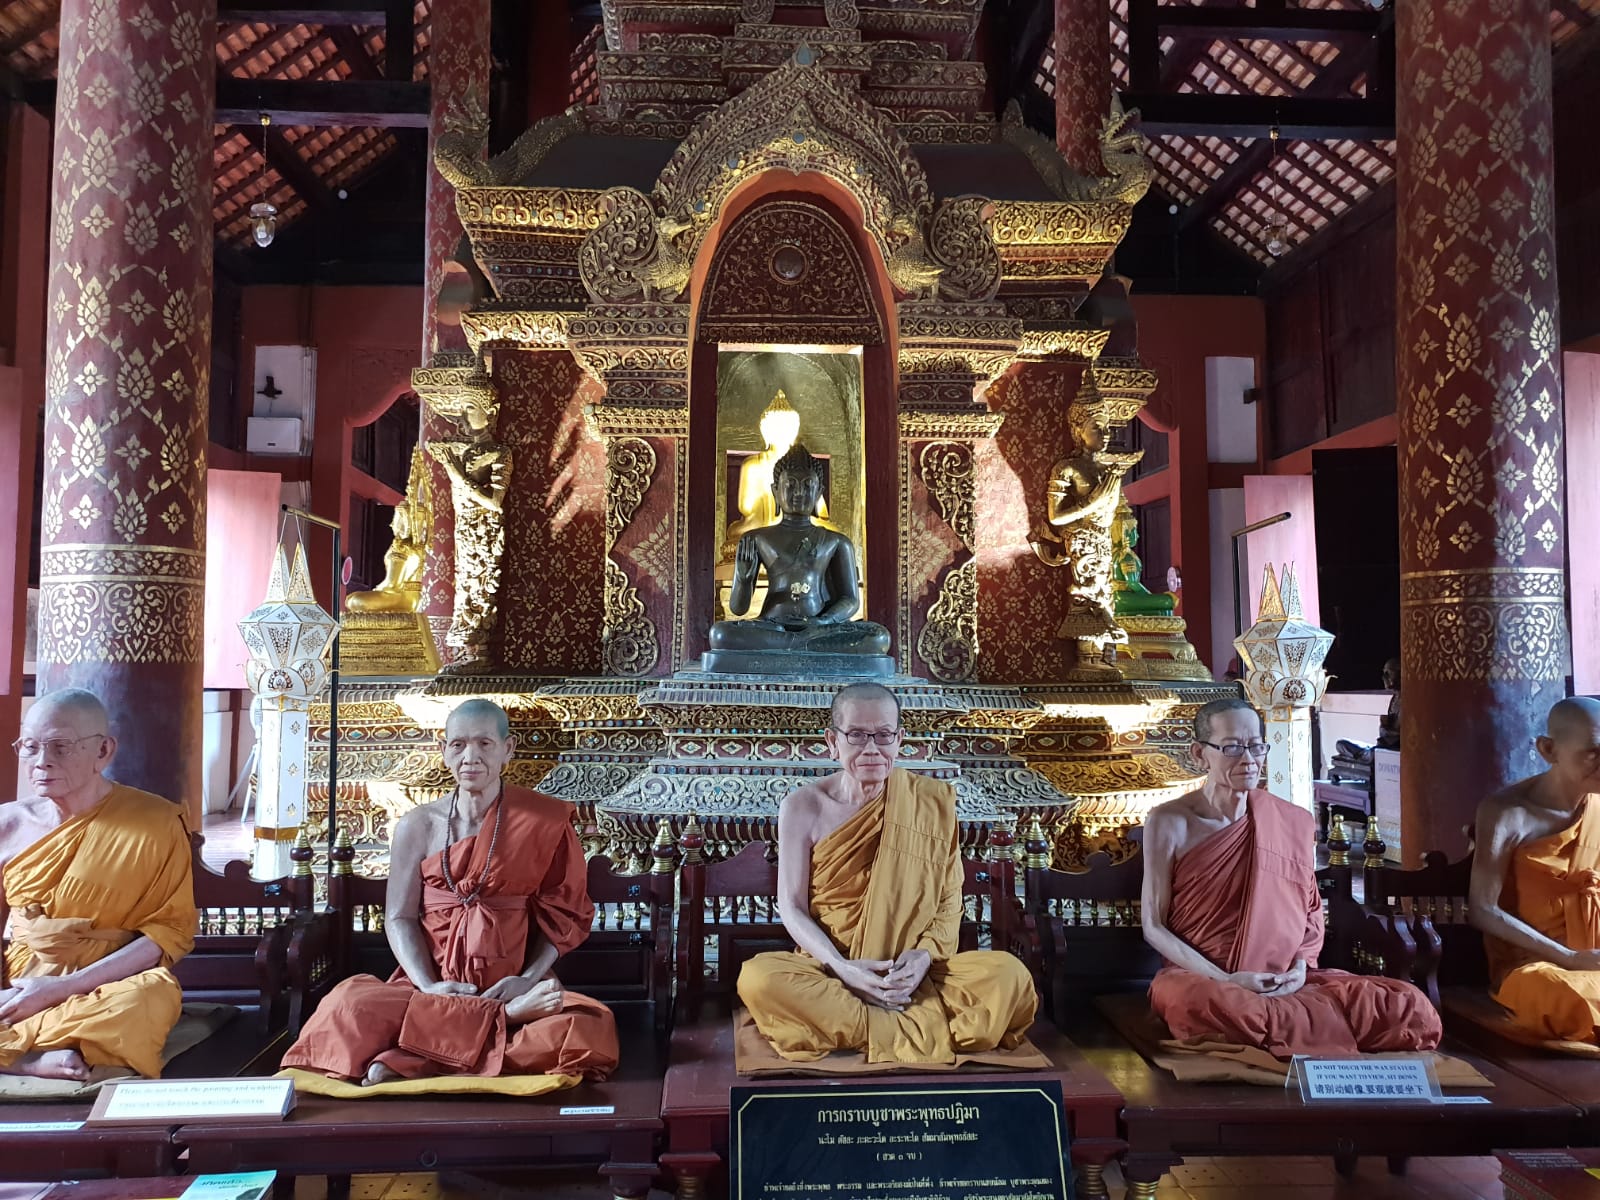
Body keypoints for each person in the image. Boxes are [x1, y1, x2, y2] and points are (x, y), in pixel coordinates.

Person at [281, 699, 617, 1084]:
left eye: (484, 744)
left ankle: (419, 1054)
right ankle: (498, 1024)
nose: (470, 757)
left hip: (510, 985)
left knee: (586, 1029)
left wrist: (527, 979)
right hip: (429, 987)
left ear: (507, 749)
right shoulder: (418, 825)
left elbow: (565, 916)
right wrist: (429, 986)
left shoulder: (543, 820)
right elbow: (400, 917)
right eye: (458, 745)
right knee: (345, 1007)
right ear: (443, 751)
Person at [737, 683, 1036, 1064]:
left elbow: (948, 902)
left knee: (1010, 976)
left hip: (915, 975)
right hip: (832, 969)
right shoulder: (803, 807)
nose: (871, 749)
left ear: (899, 739)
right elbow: (792, 907)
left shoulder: (930, 803)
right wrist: (843, 968)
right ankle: (927, 1030)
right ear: (832, 741)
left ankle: (860, 1028)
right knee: (759, 979)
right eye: (857, 735)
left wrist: (923, 957)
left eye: (883, 735)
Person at [1141, 697, 1441, 1057]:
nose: (1249, 759)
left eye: (1256, 746)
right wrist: (1228, 980)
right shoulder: (1170, 821)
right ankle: (1299, 1027)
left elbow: (1309, 912)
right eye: (1233, 747)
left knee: (1410, 1007)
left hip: (1283, 980)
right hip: (1204, 979)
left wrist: (1298, 970)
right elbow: (1153, 925)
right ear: (1199, 754)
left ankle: (1282, 1026)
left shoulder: (1289, 821)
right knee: (1196, 1004)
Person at [0, 689, 195, 1081]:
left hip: (107, 982)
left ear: (103, 750)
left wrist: (61, 988)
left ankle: (20, 1050)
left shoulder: (154, 822)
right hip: (19, 981)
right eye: (30, 747)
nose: (41, 761)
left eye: (60, 747)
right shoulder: (8, 823)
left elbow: (166, 934)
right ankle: (28, 1060)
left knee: (147, 998)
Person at [1469, 696, 1600, 1043]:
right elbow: (1483, 910)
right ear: (1548, 749)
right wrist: (1570, 958)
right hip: (1537, 964)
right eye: (1593, 752)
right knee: (1560, 995)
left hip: (1595, 960)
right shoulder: (1507, 813)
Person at [708, 443, 890, 658]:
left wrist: (823, 622)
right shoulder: (755, 538)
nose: (799, 492)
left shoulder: (836, 541)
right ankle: (802, 645)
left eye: (807, 485)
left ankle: (790, 646)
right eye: (790, 485)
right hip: (772, 624)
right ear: (775, 491)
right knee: (720, 634)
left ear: (819, 492)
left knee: (878, 636)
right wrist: (744, 579)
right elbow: (739, 608)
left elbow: (850, 599)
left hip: (818, 626)